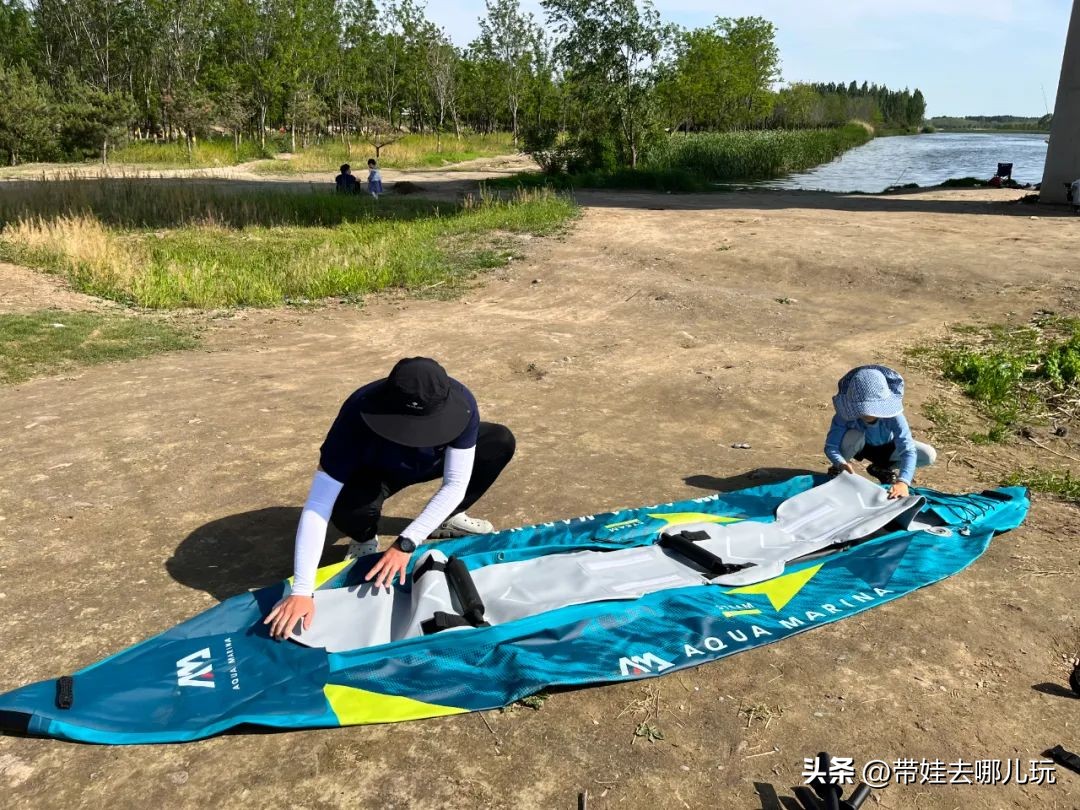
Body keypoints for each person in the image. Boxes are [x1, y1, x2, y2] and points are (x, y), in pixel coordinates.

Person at [265, 357, 515, 639]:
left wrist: (407, 541)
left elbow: (455, 483)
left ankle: (445, 518)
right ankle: (363, 538)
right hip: (376, 470)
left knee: (499, 441)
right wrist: (301, 590)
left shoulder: (463, 403)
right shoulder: (357, 412)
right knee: (350, 509)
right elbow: (318, 505)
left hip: (430, 461)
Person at [823, 365, 936, 500]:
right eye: (862, 407)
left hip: (889, 448)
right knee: (853, 436)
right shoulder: (843, 415)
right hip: (860, 447)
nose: (867, 412)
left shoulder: (895, 417)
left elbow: (908, 449)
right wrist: (840, 462)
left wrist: (903, 482)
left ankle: (882, 468)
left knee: (928, 455)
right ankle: (838, 470)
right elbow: (831, 446)